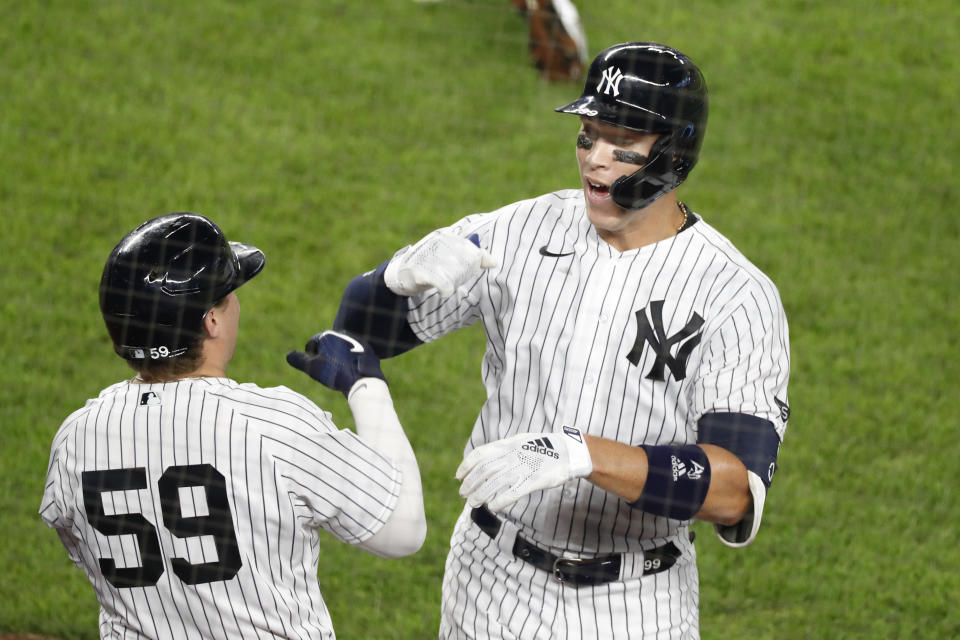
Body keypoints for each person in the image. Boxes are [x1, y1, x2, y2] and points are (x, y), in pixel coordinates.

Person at [333, 41, 790, 639]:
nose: (595, 161)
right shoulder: (520, 232)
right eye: (587, 136)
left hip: (637, 604)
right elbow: (361, 332)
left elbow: (734, 490)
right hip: (488, 581)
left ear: (673, 154)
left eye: (621, 144)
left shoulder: (737, 295)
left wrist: (581, 454)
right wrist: (391, 281)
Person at [39, 213, 426, 639]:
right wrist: (366, 384)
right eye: (228, 295)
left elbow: (80, 546)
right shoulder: (271, 425)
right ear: (212, 322)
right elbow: (402, 531)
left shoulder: (75, 440)